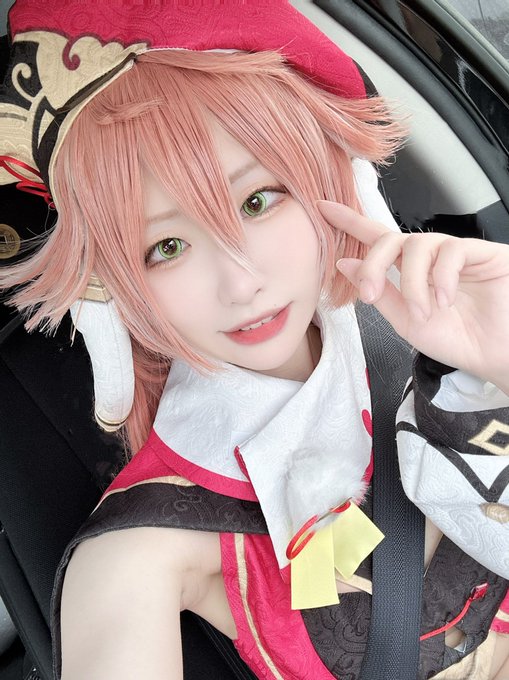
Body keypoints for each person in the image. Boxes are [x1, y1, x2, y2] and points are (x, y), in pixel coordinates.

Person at [0, 1, 508, 679]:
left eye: (256, 201)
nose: (240, 284)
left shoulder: (447, 341)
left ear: (335, 178)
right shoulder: (141, 548)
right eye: (166, 246)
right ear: (116, 287)